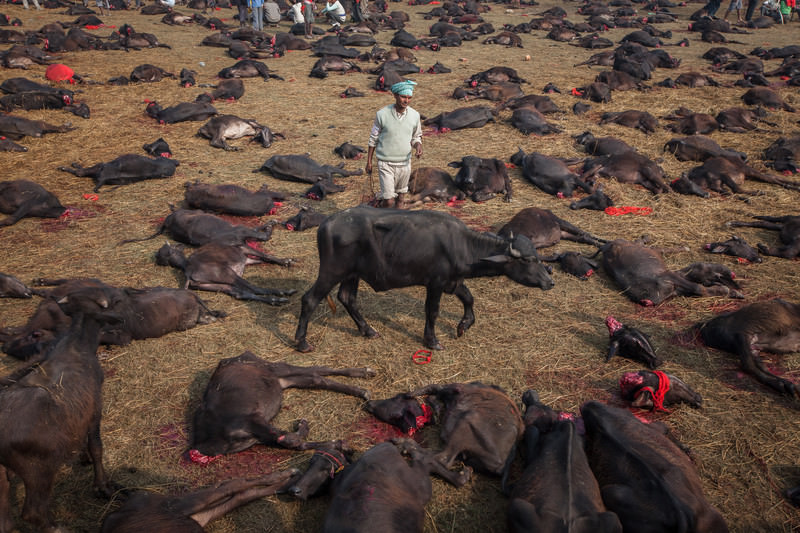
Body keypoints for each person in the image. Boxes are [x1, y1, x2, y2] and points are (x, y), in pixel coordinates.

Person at [365, 80, 423, 209]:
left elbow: (416, 136)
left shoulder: (415, 116)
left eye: (409, 98)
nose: (406, 101)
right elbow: (373, 138)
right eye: (403, 97)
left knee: (401, 199)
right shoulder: (382, 115)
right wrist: (369, 161)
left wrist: (418, 145)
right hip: (386, 163)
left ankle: (396, 224)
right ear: (395, 95)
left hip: (405, 163)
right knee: (389, 200)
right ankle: (383, 220)